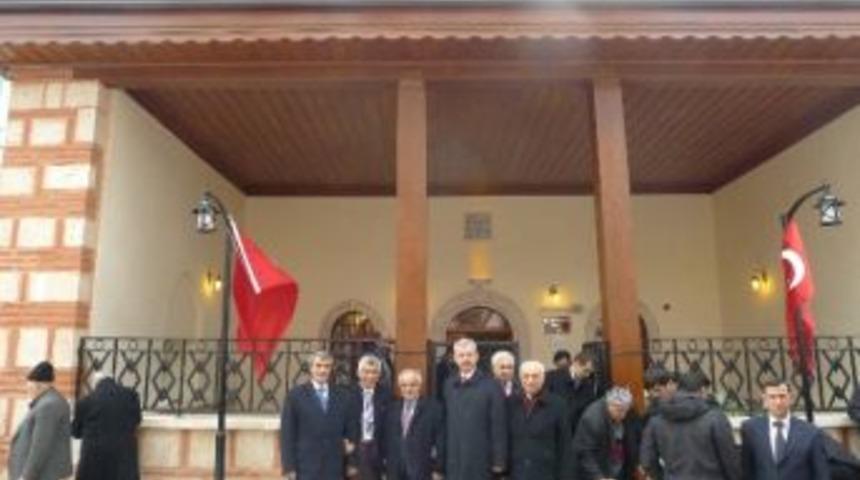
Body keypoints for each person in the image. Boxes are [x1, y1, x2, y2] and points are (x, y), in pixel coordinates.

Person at [640, 371, 740, 480]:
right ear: (702, 390)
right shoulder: (716, 419)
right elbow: (730, 460)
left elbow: (647, 460)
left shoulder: (656, 421)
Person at [280, 351, 358, 480]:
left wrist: (352, 462)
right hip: (305, 468)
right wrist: (289, 467)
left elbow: (351, 433)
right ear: (311, 368)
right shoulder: (295, 396)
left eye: (327, 366)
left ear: (331, 369)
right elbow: (287, 434)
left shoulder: (344, 396)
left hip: (334, 468)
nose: (322, 370)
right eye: (318, 365)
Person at [443, 337, 508, 480]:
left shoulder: (492, 385)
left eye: (469, 355)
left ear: (477, 356)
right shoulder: (449, 385)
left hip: (481, 458)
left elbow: (498, 425)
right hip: (454, 458)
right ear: (454, 358)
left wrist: (499, 460)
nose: (465, 359)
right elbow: (447, 423)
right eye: (461, 355)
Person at [740, 379, 829, 480]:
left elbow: (821, 474)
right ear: (765, 401)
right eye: (772, 397)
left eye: (782, 396)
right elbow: (747, 470)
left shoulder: (811, 432)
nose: (778, 402)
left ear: (790, 399)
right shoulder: (751, 429)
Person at [507, 360, 573, 480]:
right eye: (526, 376)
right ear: (520, 379)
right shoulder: (510, 403)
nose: (530, 381)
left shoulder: (558, 405)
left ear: (543, 378)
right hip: (517, 473)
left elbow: (565, 445)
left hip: (546, 473)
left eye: (535, 376)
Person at [8, 361, 73, 480]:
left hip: (44, 475)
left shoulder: (48, 405)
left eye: (30, 386)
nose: (28, 389)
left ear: (40, 385)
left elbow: (40, 446)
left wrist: (26, 476)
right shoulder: (48, 401)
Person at [72, 371, 143, 480]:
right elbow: (137, 420)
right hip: (123, 460)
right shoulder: (131, 396)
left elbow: (76, 432)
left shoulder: (86, 401)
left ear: (95, 384)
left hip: (94, 461)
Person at [383, 369, 444, 480]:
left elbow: (440, 441)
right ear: (399, 387)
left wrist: (438, 469)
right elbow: (386, 440)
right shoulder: (391, 409)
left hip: (422, 470)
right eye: (404, 385)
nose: (408, 389)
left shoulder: (434, 408)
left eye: (413, 385)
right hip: (395, 469)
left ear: (419, 385)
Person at [572, 386, 641, 480]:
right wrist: (599, 477)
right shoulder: (592, 419)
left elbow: (637, 437)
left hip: (621, 469)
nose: (623, 415)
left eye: (626, 410)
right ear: (610, 405)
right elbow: (585, 454)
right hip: (599, 470)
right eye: (620, 411)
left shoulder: (627, 410)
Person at [350, 354, 393, 480]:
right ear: (358, 373)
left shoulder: (386, 394)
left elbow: (389, 425)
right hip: (356, 447)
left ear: (379, 375)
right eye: (366, 371)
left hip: (377, 448)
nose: (370, 376)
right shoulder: (347, 394)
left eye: (374, 372)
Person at [548, 351, 603, 436]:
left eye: (590, 372)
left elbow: (588, 409)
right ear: (576, 363)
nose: (588, 375)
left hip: (577, 433)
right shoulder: (552, 378)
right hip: (555, 431)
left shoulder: (588, 385)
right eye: (586, 370)